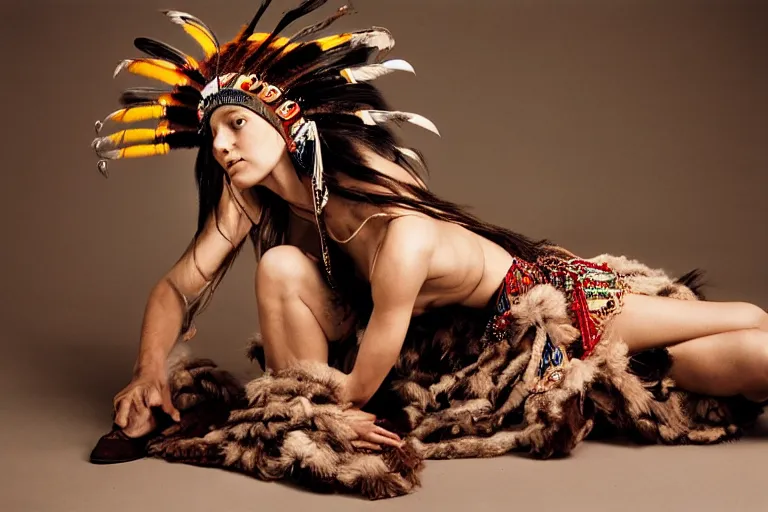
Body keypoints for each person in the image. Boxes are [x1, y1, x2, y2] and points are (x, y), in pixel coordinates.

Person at [91, 1, 767, 460]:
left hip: (540, 313)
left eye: (236, 123)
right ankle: (311, 409)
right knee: (280, 268)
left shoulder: (386, 206)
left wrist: (350, 402)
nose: (222, 146)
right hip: (434, 349)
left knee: (719, 335)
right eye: (211, 135)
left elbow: (391, 310)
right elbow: (177, 288)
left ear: (287, 117)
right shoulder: (249, 200)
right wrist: (150, 370)